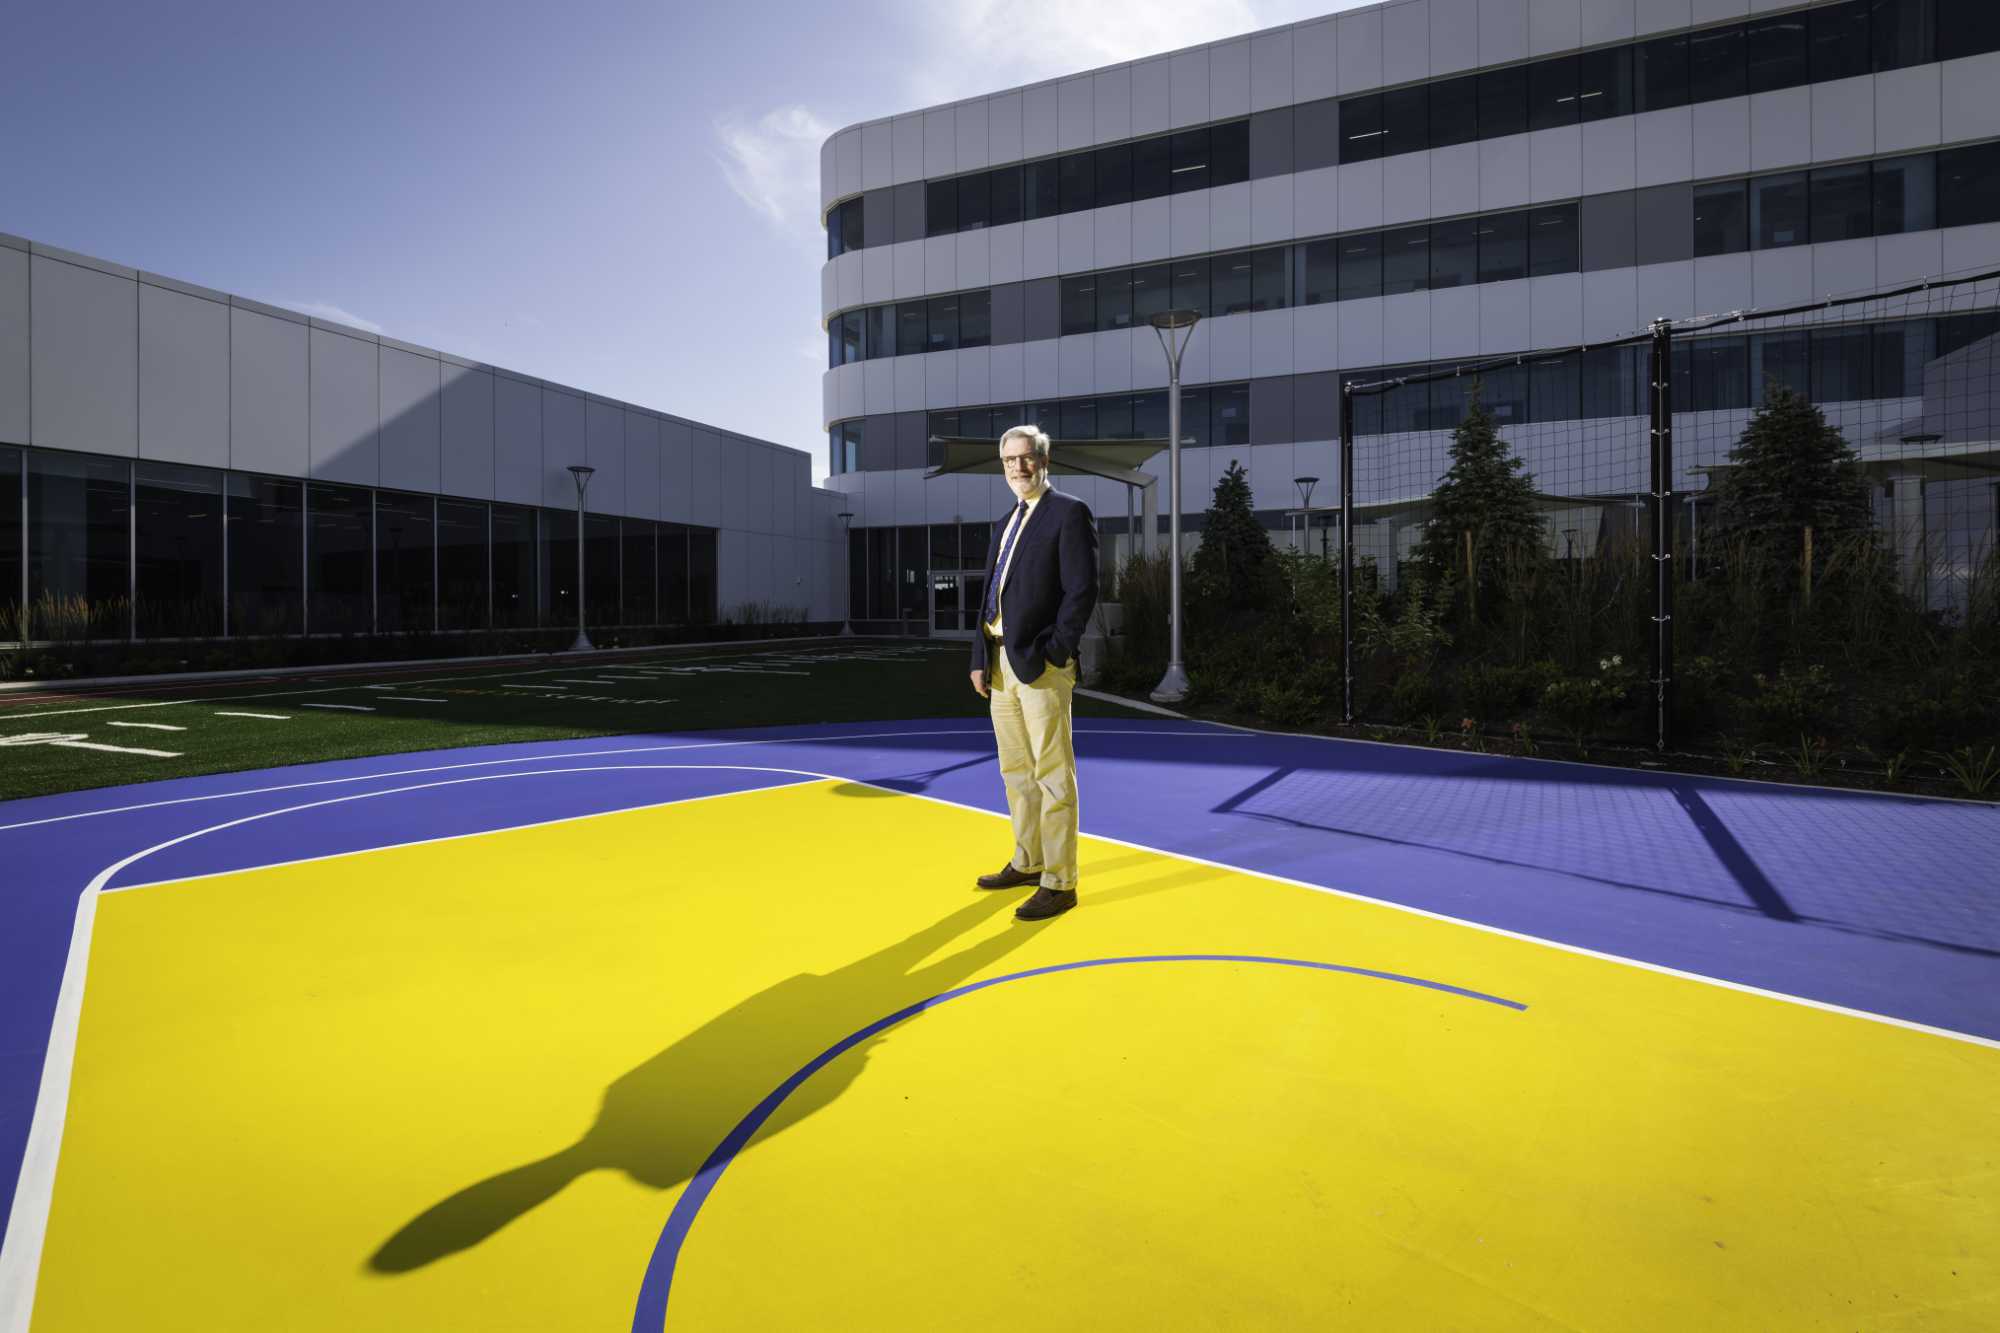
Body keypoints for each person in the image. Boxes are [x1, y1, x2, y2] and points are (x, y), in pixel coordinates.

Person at [968, 424, 1099, 921]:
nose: (1018, 467)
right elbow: (990, 595)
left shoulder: (1069, 513)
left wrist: (1057, 651)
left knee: (1052, 775)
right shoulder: (1005, 521)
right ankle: (1028, 861)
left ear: (1044, 460)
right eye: (1009, 461)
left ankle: (1060, 881)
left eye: (1026, 458)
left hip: (1041, 665)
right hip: (1001, 663)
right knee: (1016, 772)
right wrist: (979, 658)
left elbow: (1080, 591)